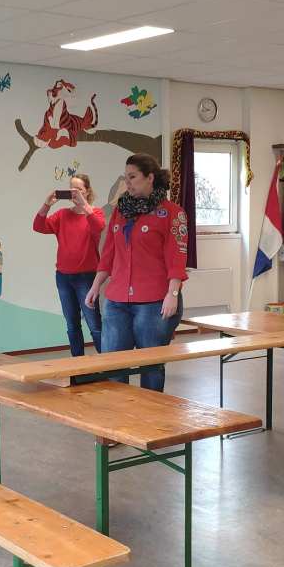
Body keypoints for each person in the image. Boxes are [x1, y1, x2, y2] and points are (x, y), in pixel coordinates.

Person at [85, 154, 188, 391]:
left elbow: (177, 257)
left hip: (154, 302)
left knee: (151, 366)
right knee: (112, 365)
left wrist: (173, 293)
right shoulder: (121, 211)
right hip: (117, 300)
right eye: (126, 177)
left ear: (150, 177)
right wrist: (95, 285)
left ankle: (151, 412)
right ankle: (118, 412)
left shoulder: (172, 212)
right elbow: (108, 253)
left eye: (132, 177)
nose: (127, 182)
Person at [34, 174, 105, 356]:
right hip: (63, 277)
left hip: (86, 277)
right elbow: (38, 226)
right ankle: (77, 364)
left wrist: (84, 205)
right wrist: (47, 204)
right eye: (71, 189)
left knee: (94, 323)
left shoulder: (95, 213)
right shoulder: (62, 215)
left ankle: (108, 364)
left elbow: (99, 226)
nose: (74, 193)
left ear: (87, 191)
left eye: (78, 190)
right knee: (72, 324)